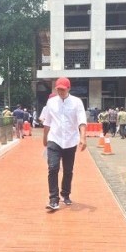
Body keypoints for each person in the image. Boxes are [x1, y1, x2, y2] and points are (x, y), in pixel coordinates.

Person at [43, 77, 87, 210]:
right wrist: (45, 137)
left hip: (70, 140)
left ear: (68, 88)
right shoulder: (51, 102)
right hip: (54, 139)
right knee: (53, 168)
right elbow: (47, 121)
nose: (60, 92)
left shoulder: (76, 102)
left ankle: (65, 194)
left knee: (68, 170)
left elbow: (82, 120)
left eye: (63, 89)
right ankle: (53, 199)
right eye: (58, 89)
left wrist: (83, 137)